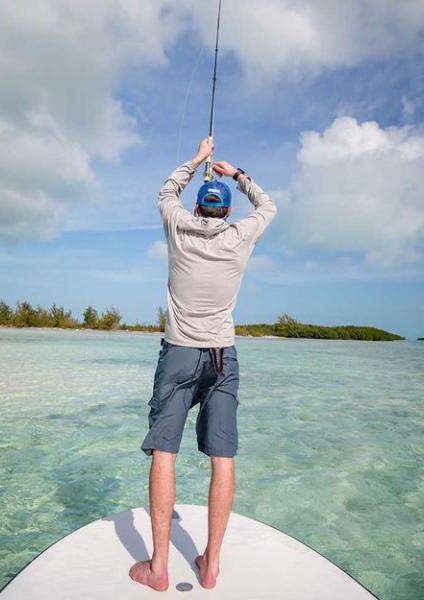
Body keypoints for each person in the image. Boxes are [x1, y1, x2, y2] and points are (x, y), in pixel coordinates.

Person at [129, 137, 277, 591]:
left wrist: (196, 161)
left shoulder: (177, 226)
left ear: (197, 208)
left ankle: (158, 568)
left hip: (178, 354)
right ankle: (211, 564)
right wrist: (236, 175)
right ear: (227, 212)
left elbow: (164, 192)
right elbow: (268, 205)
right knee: (223, 457)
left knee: (164, 451)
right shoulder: (239, 235)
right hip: (222, 357)